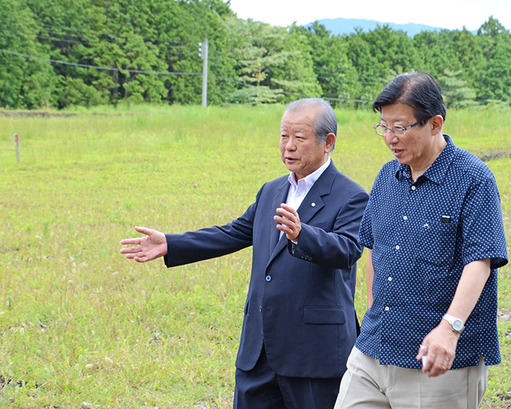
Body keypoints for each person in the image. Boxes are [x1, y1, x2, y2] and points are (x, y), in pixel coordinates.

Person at [120, 98, 369, 409]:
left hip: (313, 355)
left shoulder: (352, 196)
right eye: (283, 136)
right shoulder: (272, 191)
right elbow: (234, 232)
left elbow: (347, 249)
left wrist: (302, 234)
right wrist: (172, 243)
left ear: (327, 142)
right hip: (259, 350)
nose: (288, 146)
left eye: (299, 137)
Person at [334, 72, 508, 409]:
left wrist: (450, 328)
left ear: (434, 123)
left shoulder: (473, 180)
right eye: (384, 127)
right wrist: (373, 310)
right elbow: (374, 248)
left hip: (438, 362)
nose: (390, 138)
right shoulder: (387, 176)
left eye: (400, 127)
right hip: (373, 350)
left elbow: (480, 262)